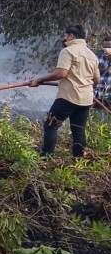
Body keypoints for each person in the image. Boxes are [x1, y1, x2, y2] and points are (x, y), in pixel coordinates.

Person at [30, 25, 100, 158]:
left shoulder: (68, 51)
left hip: (68, 97)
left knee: (50, 125)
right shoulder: (92, 55)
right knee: (78, 131)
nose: (64, 39)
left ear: (71, 36)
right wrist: (82, 84)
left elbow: (61, 73)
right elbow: (96, 80)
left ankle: (46, 157)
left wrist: (39, 80)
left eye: (65, 36)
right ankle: (78, 159)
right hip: (85, 100)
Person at [93, 36, 111, 112]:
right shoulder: (97, 57)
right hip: (98, 95)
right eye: (105, 47)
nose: (107, 49)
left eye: (109, 47)